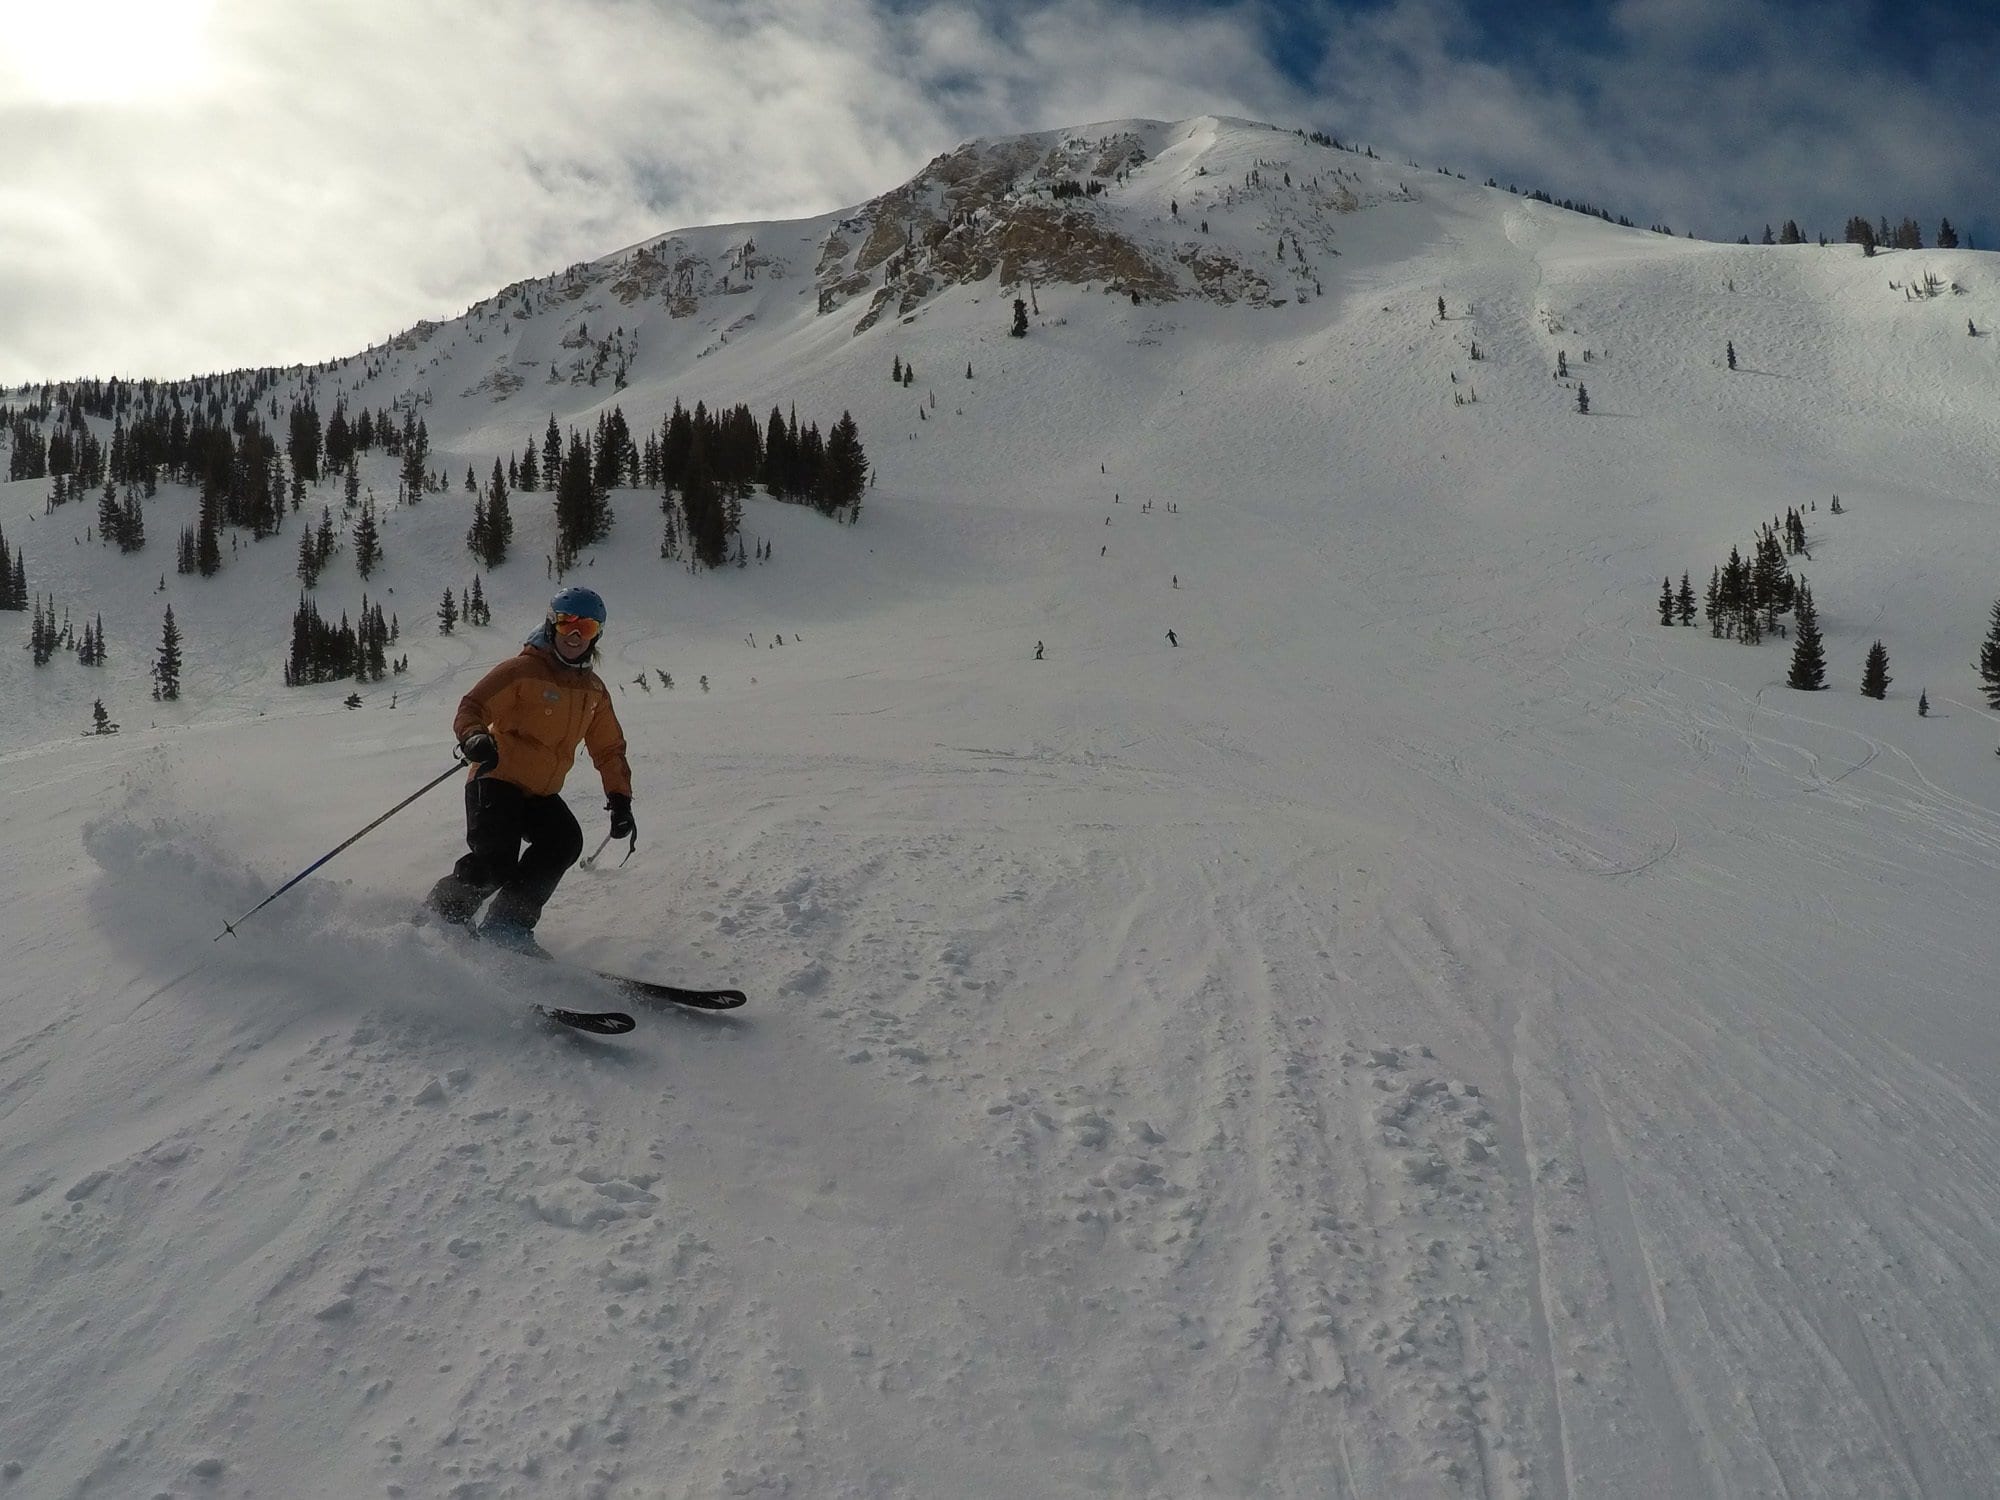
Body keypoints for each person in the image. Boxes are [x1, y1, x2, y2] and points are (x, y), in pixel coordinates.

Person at [426, 587, 634, 949]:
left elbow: (609, 747)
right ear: (551, 624)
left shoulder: (594, 691)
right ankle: (440, 917)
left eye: (584, 628)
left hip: (539, 792)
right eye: (566, 623)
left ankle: (507, 926)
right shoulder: (522, 670)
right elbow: (472, 706)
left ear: (597, 635)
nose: (573, 635)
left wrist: (620, 800)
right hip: (496, 778)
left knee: (563, 841)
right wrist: (475, 738)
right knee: (495, 862)